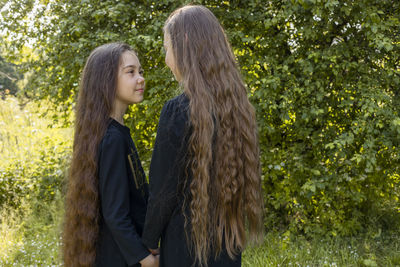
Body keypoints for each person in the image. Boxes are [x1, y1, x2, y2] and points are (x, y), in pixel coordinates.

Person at [142, 5, 264, 267]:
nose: (166, 60)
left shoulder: (178, 110)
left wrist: (149, 241)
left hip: (184, 246)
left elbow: (163, 191)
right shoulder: (237, 108)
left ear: (184, 44)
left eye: (167, 49)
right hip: (227, 242)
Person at [63, 43, 159, 267]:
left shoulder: (115, 132)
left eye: (141, 71)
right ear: (106, 79)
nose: (140, 78)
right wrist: (145, 259)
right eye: (130, 72)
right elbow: (115, 215)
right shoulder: (112, 138)